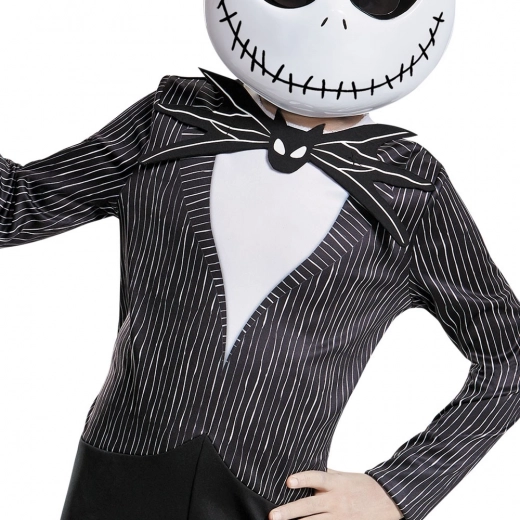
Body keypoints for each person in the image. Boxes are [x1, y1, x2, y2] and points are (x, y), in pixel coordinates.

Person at [2, 1, 519, 520]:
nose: (333, 16)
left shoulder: (410, 189)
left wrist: (398, 490)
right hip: (115, 477)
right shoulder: (170, 122)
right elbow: (19, 205)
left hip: (271, 501)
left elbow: (510, 355)